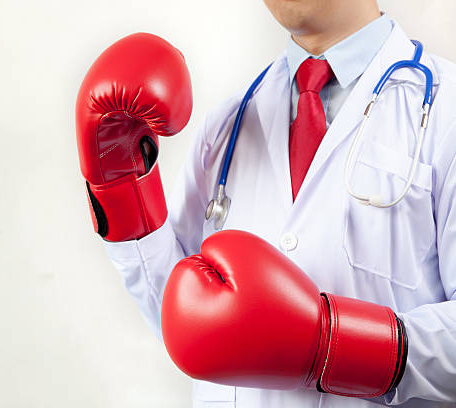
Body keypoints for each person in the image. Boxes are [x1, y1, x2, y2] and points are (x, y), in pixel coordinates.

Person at [75, 0, 456, 406]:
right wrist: (121, 190)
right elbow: (182, 321)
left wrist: (330, 344)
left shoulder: (446, 110)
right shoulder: (226, 125)